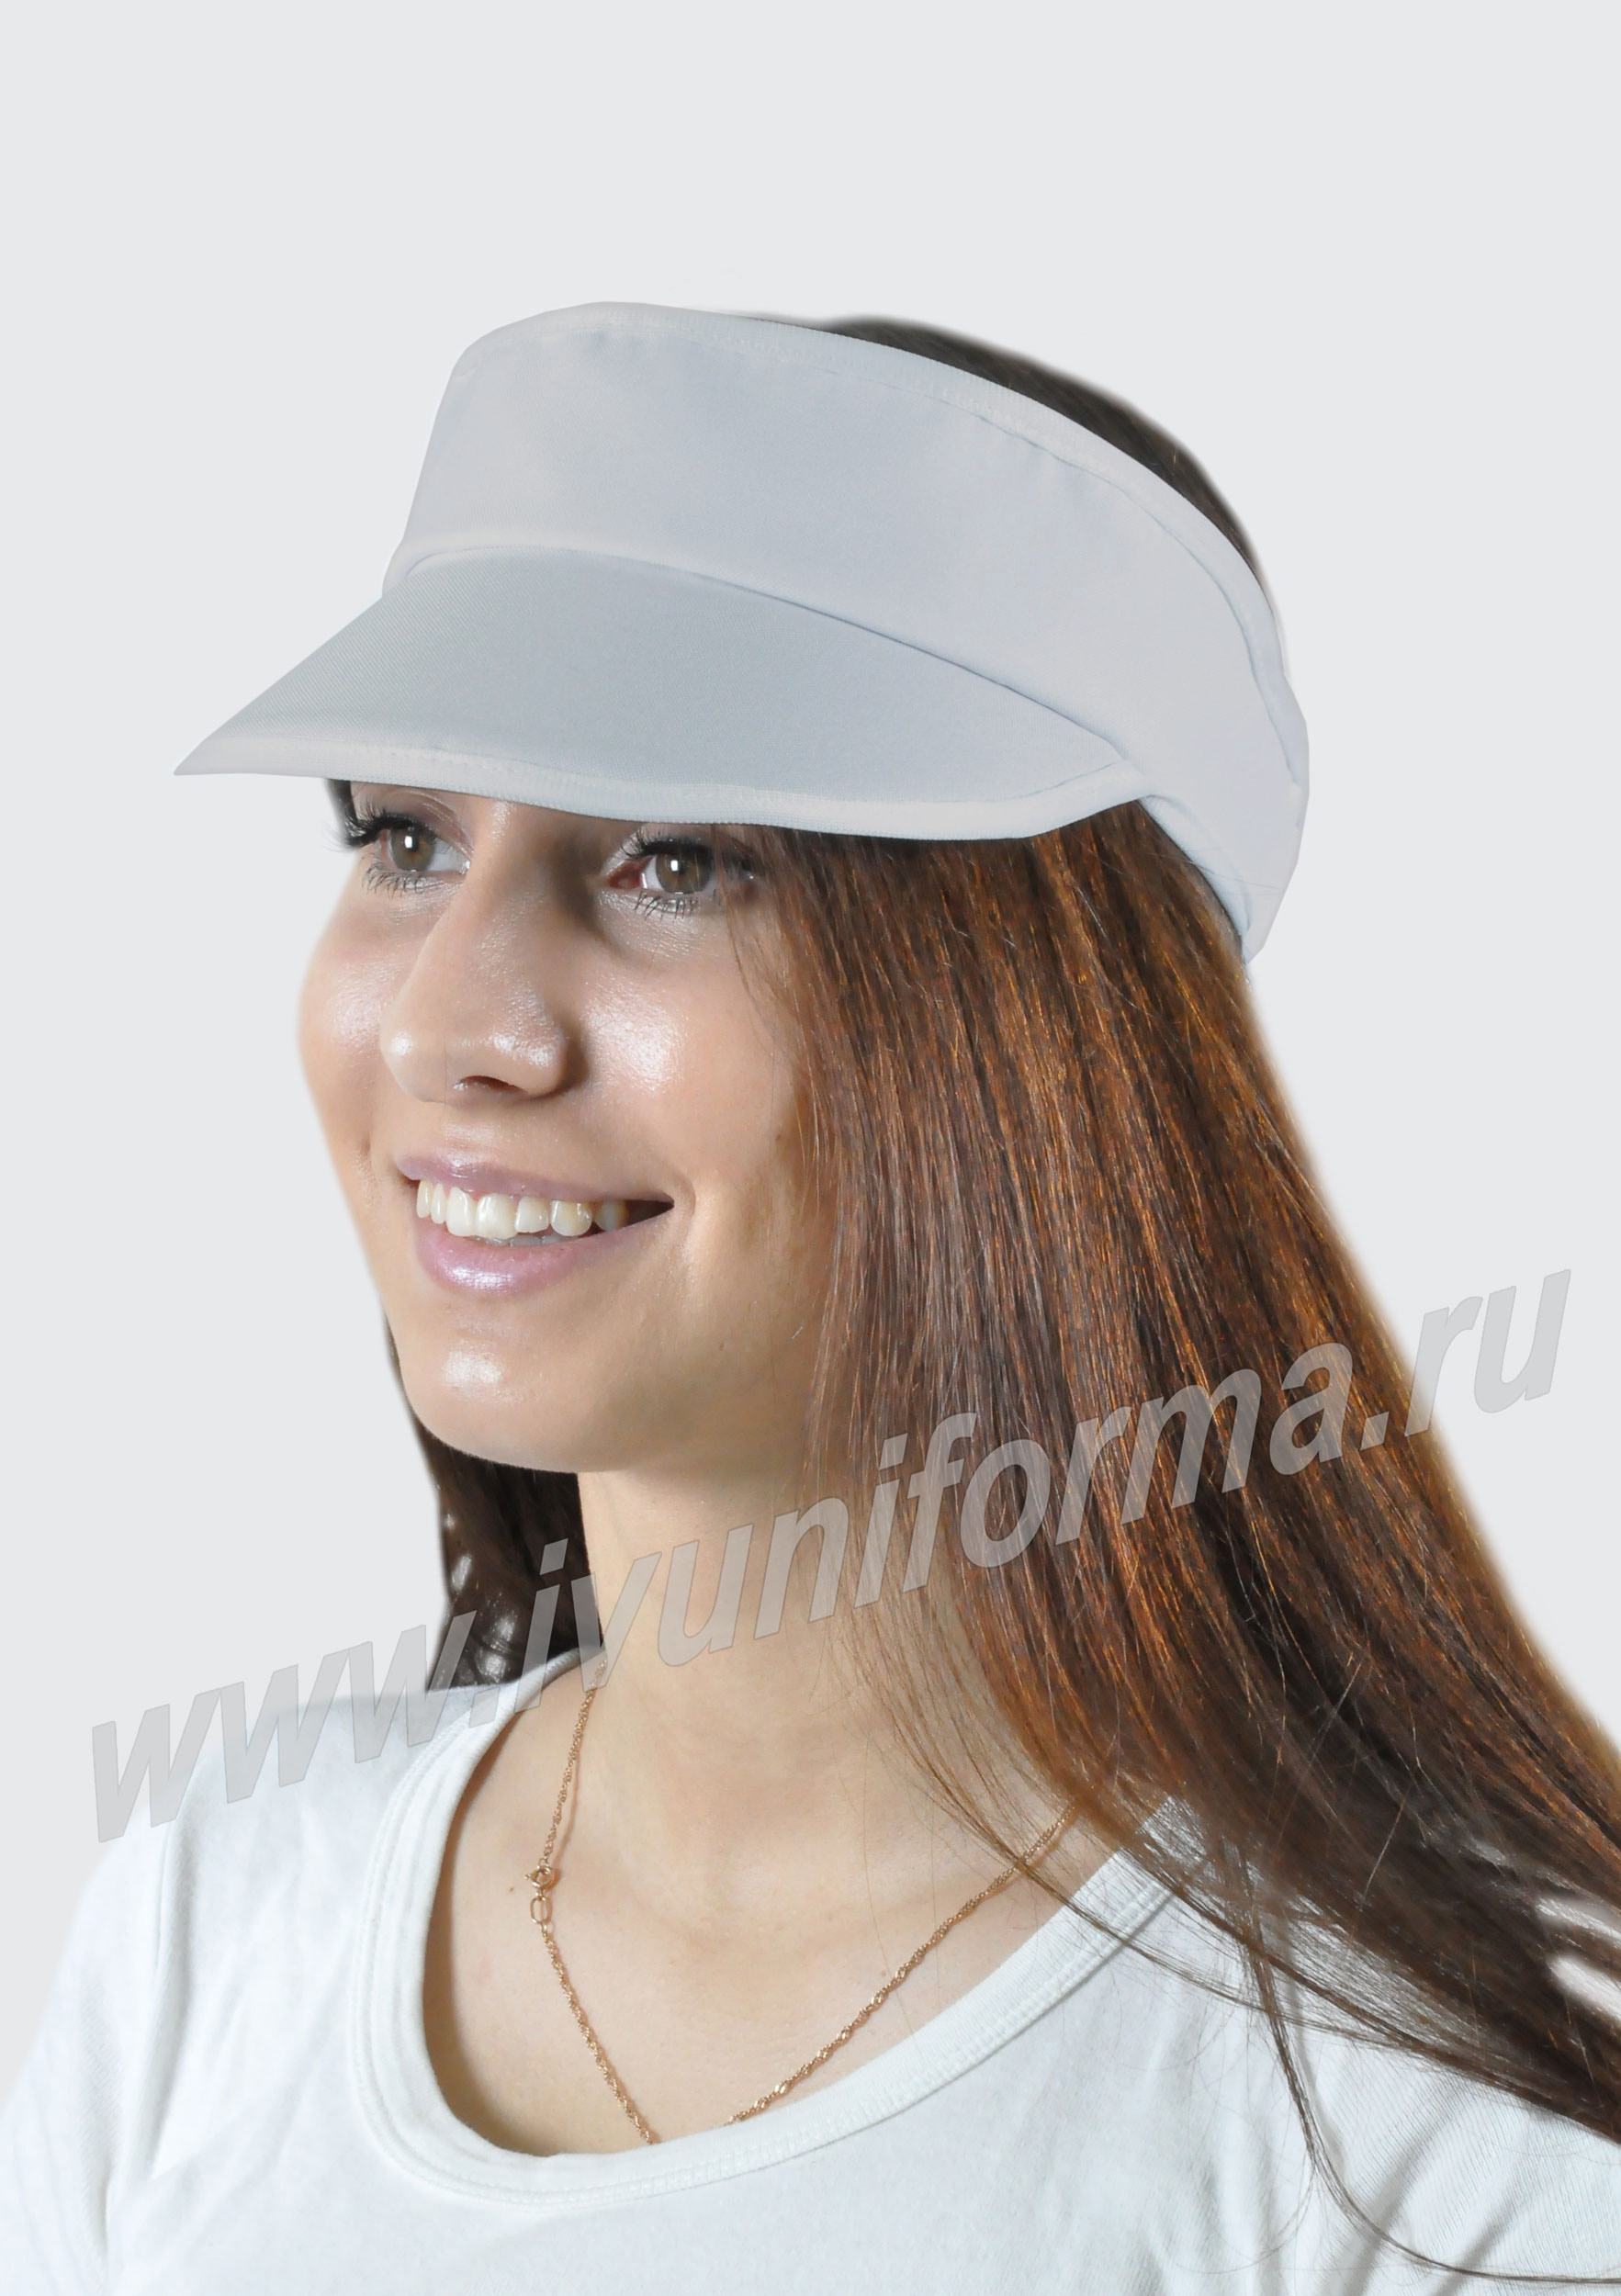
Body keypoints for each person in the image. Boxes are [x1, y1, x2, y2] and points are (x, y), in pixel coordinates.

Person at [3, 302, 1619, 2290]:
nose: (449, 1023)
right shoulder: (216, 1922)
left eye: (677, 861)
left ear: (1050, 1028)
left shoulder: (1422, 2119)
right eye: (402, 837)